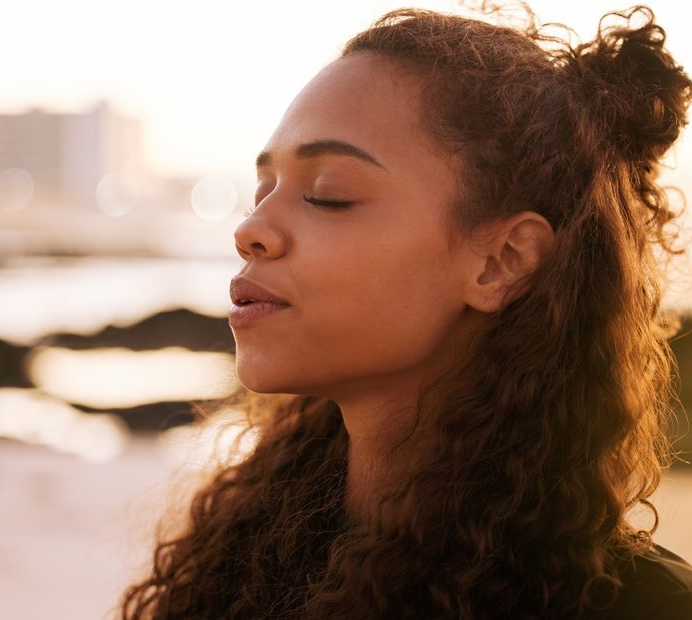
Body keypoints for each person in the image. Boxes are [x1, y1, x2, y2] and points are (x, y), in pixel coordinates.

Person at [121, 4, 692, 619]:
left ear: (501, 261)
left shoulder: (643, 607)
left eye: (327, 196)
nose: (251, 229)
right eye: (264, 192)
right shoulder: (243, 560)